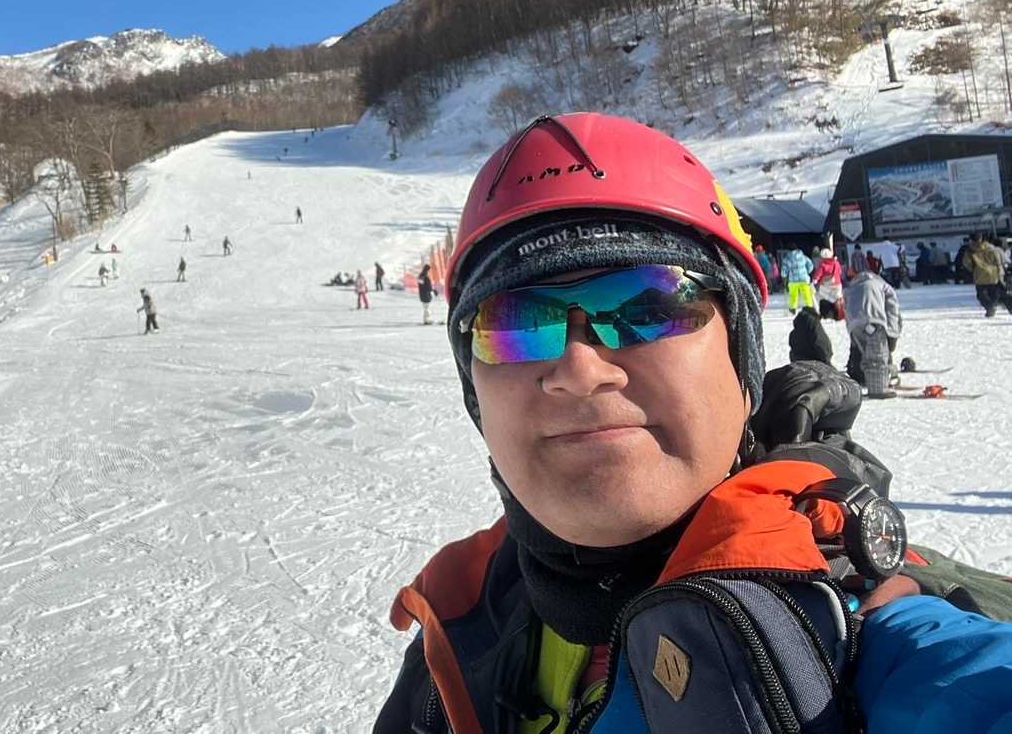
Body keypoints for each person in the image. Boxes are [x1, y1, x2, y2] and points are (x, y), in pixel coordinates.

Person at [374, 113, 1012, 733]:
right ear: (475, 394)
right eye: (513, 324)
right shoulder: (457, 626)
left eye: (648, 305)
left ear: (742, 362)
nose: (579, 368)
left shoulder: (866, 627)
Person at [845, 263, 902, 398]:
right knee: (877, 355)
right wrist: (893, 333)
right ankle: (878, 389)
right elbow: (892, 309)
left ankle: (867, 380)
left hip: (854, 325)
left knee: (865, 354)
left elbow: (846, 307)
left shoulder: (852, 286)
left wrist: (851, 331)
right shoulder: (882, 285)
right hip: (874, 321)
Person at [962, 232, 1012, 317]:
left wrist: (974, 270)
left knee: (982, 295)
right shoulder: (991, 248)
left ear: (971, 240)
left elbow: (967, 263)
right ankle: (1010, 307)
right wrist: (1000, 272)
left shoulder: (970, 251)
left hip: (980, 276)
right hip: (994, 274)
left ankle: (990, 308)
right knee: (1000, 293)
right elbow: (998, 261)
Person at [811, 246, 844, 320]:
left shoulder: (823, 264)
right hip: (837, 283)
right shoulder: (836, 263)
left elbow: (818, 273)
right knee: (838, 299)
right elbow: (840, 272)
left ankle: (826, 313)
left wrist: (815, 280)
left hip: (826, 285)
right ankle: (840, 312)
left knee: (824, 299)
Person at [781, 246, 814, 311]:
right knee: (806, 294)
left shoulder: (787, 259)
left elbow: (784, 270)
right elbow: (810, 264)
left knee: (793, 295)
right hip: (804, 278)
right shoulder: (803, 256)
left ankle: (793, 308)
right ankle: (809, 306)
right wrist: (807, 271)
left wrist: (784, 276)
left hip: (793, 280)